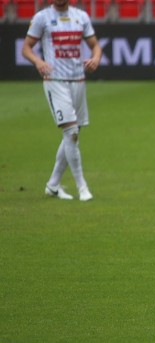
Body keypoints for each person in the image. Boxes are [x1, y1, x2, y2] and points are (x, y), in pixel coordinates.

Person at [22, 0, 101, 202]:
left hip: (78, 81)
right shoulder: (42, 18)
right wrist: (38, 61)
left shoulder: (81, 17)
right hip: (55, 80)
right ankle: (82, 187)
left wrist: (96, 58)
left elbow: (95, 45)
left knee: (71, 135)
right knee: (71, 132)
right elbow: (26, 48)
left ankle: (53, 185)